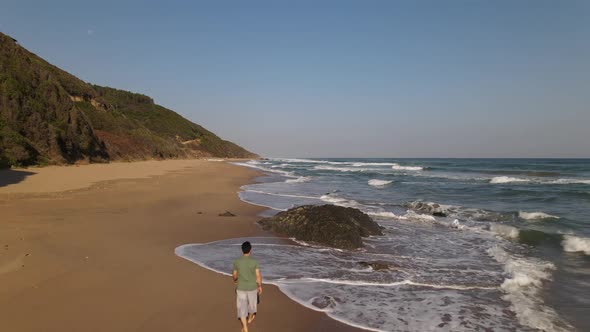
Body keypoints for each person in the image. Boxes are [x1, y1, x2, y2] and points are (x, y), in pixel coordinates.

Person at [232, 241, 262, 332]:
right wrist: (259, 286)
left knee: (242, 309)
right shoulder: (254, 261)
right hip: (252, 288)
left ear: (242, 250)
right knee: (252, 308)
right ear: (250, 250)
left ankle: (245, 327)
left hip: (240, 287)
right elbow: (258, 275)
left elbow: (234, 275)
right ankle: (249, 319)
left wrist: (235, 280)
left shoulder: (237, 261)